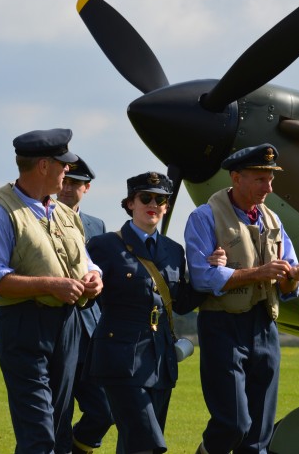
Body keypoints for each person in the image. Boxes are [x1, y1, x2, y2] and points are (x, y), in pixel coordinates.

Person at [0, 128, 104, 453]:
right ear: (44, 166)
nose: (68, 171)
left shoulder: (63, 214)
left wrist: (94, 278)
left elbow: (87, 262)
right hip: (24, 326)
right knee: (39, 436)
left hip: (68, 325)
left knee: (59, 431)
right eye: (63, 165)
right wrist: (51, 285)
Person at [184, 144, 299, 454]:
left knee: (258, 436)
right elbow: (203, 278)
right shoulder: (204, 217)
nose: (268, 187)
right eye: (260, 179)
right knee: (233, 424)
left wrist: (293, 276)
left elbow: (286, 280)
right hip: (222, 326)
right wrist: (259, 273)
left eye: (271, 179)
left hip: (265, 328)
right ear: (236, 178)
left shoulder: (273, 220)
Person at [84, 171, 225, 454]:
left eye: (160, 199)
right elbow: (89, 298)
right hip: (120, 360)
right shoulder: (105, 246)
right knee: (148, 443)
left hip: (161, 362)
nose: (153, 204)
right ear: (130, 204)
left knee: (134, 445)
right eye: (145, 197)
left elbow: (182, 302)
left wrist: (212, 272)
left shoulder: (174, 251)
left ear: (167, 206)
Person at [56, 156, 115, 454]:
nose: (67, 189)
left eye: (75, 184)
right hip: (56, 326)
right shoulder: (40, 217)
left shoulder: (97, 225)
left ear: (87, 188)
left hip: (91, 330)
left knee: (105, 409)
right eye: (65, 181)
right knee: (58, 412)